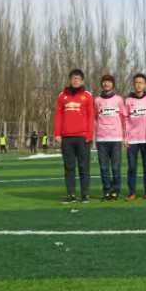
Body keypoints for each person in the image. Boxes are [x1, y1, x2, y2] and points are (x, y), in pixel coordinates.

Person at [53, 68, 95, 203]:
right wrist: (57, 133)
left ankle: (85, 195)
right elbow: (58, 116)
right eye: (73, 78)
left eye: (78, 78)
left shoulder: (87, 95)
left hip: (83, 137)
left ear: (82, 81)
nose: (75, 81)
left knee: (84, 167)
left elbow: (91, 116)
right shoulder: (62, 96)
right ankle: (71, 195)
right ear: (70, 80)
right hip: (66, 138)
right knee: (69, 167)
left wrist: (90, 135)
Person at [124, 73, 146, 201]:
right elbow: (125, 120)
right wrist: (125, 137)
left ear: (145, 85)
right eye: (136, 82)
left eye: (141, 82)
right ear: (133, 84)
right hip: (132, 140)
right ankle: (132, 192)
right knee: (132, 167)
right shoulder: (128, 101)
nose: (138, 85)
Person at [94, 74, 125, 201]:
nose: (106, 84)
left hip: (116, 138)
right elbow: (95, 118)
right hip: (101, 139)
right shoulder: (97, 100)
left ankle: (115, 191)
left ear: (113, 84)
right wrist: (95, 135)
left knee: (116, 167)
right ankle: (107, 190)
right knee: (103, 168)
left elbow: (123, 118)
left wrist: (124, 135)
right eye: (104, 82)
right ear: (102, 84)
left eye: (109, 82)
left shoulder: (119, 100)